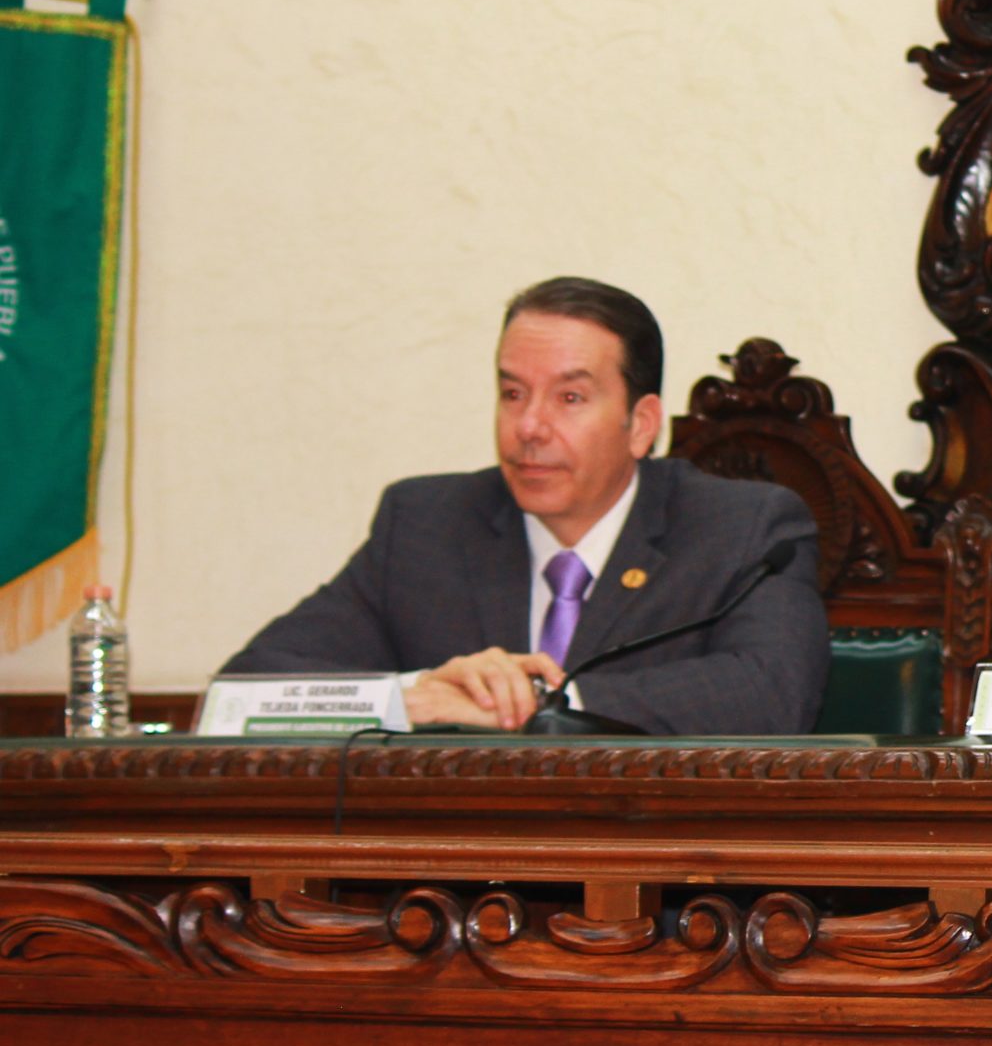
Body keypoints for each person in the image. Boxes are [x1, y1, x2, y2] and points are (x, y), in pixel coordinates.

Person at [224, 277, 830, 734]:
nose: (529, 426)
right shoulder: (425, 524)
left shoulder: (742, 530)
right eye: (512, 393)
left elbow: (773, 691)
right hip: (455, 885)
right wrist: (412, 695)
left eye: (569, 396)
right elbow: (247, 688)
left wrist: (544, 702)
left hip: (662, 883)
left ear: (640, 424)